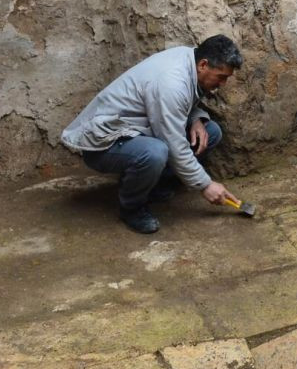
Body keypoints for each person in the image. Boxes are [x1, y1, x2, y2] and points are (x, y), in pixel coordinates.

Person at [62, 35, 242, 233]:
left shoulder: (189, 58)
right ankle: (131, 208)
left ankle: (153, 186)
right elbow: (174, 144)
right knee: (156, 152)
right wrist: (205, 185)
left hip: (138, 131)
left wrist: (196, 118)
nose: (223, 83)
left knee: (210, 132)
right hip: (105, 143)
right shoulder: (171, 82)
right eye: (222, 76)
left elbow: (182, 102)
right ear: (203, 65)